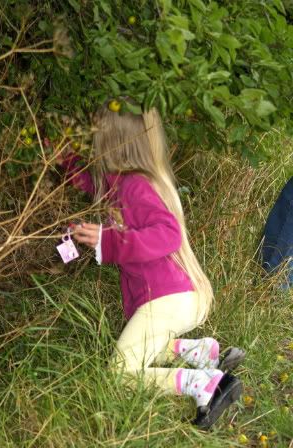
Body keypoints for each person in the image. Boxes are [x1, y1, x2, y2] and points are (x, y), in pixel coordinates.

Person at [57, 101, 245, 429]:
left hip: (167, 300)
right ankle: (199, 353)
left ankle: (203, 384)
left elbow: (168, 235)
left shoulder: (137, 186)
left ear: (113, 141)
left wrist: (109, 240)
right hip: (173, 296)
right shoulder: (121, 180)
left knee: (121, 374)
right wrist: (51, 151)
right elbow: (87, 181)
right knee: (141, 349)